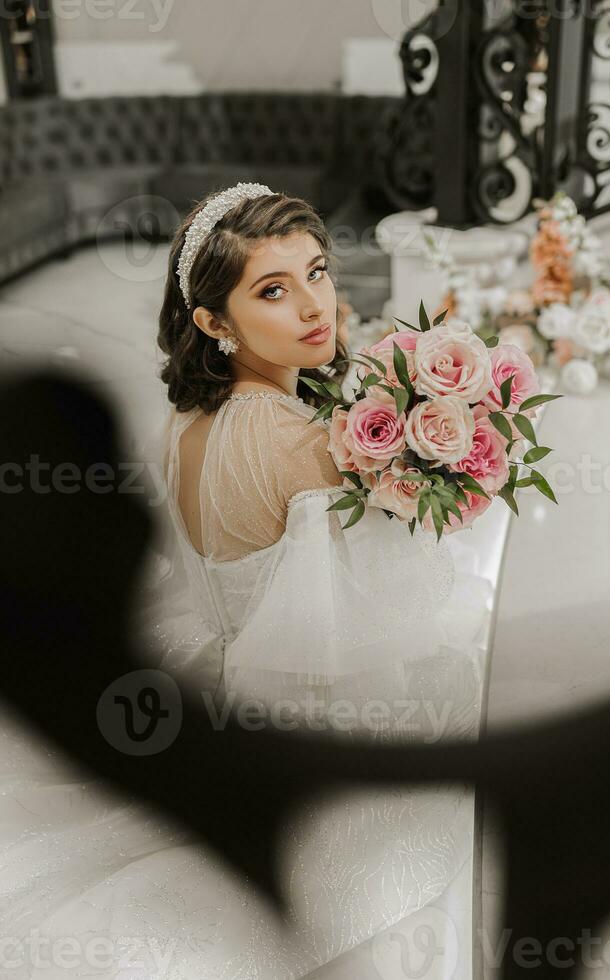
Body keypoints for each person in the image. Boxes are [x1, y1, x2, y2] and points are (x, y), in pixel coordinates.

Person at [0, 184, 491, 979]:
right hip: (304, 693)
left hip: (221, 660)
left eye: (317, 272)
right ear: (214, 323)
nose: (314, 306)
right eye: (273, 289)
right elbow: (401, 599)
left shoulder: (189, 418)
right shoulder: (304, 444)